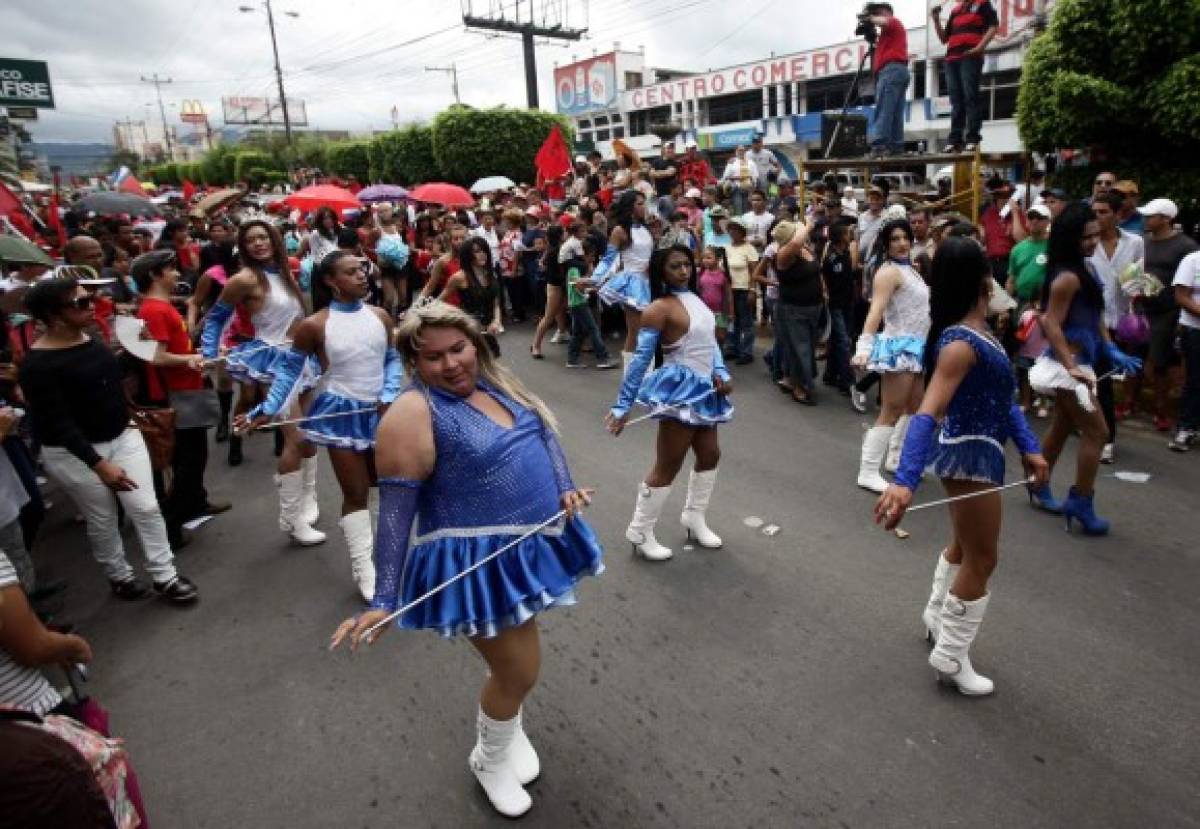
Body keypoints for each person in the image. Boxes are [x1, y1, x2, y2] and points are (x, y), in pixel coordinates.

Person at [330, 301, 603, 818]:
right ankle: (488, 757)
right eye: (433, 357)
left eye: (458, 349)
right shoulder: (412, 413)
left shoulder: (497, 383)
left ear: (475, 343)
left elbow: (543, 434)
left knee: (514, 666)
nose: (451, 364)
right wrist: (385, 596)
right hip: (476, 565)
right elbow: (394, 514)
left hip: (529, 548)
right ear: (414, 362)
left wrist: (565, 488)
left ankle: (508, 731)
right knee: (519, 671)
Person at [875, 236, 1049, 696]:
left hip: (980, 452)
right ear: (982, 280)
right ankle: (951, 656)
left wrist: (1030, 446)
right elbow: (926, 413)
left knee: (963, 545)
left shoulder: (978, 334)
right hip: (968, 455)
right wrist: (905, 480)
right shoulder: (958, 342)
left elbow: (1004, 401)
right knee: (983, 557)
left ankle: (937, 616)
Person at [19, 277, 198, 604]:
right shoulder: (36, 365)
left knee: (145, 506)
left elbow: (127, 370)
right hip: (73, 453)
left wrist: (138, 335)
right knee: (103, 518)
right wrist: (99, 464)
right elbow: (58, 423)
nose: (92, 304)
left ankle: (165, 575)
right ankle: (119, 576)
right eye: (81, 303)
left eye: (90, 297)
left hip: (122, 435)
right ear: (54, 316)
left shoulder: (94, 335)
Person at [241, 250, 402, 602]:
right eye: (351, 272)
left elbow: (392, 360)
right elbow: (288, 372)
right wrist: (266, 408)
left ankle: (392, 557)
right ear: (330, 281)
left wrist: (389, 393)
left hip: (383, 415)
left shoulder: (380, 316)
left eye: (362, 270)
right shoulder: (314, 325)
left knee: (391, 489)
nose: (362, 276)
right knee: (355, 492)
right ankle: (366, 569)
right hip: (341, 417)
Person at [200, 220, 325, 546]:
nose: (258, 243)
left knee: (309, 434)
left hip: (301, 359)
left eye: (263, 237)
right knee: (293, 439)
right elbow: (214, 318)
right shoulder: (244, 279)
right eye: (250, 239)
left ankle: (309, 500)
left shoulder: (285, 272)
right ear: (242, 246)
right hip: (272, 363)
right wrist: (210, 356)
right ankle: (291, 519)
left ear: (274, 240)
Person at [606, 245, 733, 561]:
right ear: (660, 271)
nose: (683, 271)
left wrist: (720, 370)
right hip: (680, 393)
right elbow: (640, 361)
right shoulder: (658, 309)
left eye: (686, 265)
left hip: (705, 392)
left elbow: (709, 343)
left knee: (710, 454)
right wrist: (623, 406)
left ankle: (694, 517)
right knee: (668, 464)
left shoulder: (697, 300)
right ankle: (640, 529)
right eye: (675, 266)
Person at [1028, 202, 1142, 534]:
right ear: (1069, 238)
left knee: (1064, 425)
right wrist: (1070, 365)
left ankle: (1037, 481)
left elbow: (1096, 316)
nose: (1092, 242)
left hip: (1082, 365)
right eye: (1086, 237)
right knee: (1098, 431)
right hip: (1068, 372)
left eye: (1095, 235)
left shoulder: (1085, 269)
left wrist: (1110, 347)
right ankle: (1081, 500)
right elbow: (1049, 322)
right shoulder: (1066, 277)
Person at [132, 251, 231, 548]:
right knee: (188, 459)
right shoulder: (154, 310)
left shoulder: (161, 307)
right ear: (154, 275)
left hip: (187, 388)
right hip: (176, 394)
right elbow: (158, 357)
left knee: (195, 455)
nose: (177, 274)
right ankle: (172, 526)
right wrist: (198, 358)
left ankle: (196, 504)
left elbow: (174, 344)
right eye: (171, 269)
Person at [852, 219, 930, 492]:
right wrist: (864, 347)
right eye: (895, 239)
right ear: (885, 244)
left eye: (905, 237)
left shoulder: (910, 269)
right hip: (899, 347)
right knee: (891, 410)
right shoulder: (888, 273)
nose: (901, 243)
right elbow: (876, 312)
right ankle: (868, 470)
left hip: (917, 347)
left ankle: (896, 460)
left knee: (915, 408)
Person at [1089, 191, 1145, 463]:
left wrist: (1142, 290)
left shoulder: (1134, 243)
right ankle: (1102, 435)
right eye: (1095, 211)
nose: (1097, 217)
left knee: (1105, 382)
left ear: (1118, 214)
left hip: (1121, 322)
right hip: (1090, 322)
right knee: (1097, 382)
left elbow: (1137, 282)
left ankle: (1105, 437)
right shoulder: (1087, 242)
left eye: (1103, 212)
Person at [1138, 198, 1199, 432]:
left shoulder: (1186, 246)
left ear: (1166, 219)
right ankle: (1132, 403)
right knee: (1138, 358)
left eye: (1151, 216)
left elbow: (1191, 281)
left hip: (1169, 312)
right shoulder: (1142, 241)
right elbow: (1135, 270)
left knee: (1159, 362)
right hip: (1142, 308)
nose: (1145, 219)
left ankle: (1161, 410)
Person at [930, 1, 998, 152]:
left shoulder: (983, 4)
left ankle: (973, 137)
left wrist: (979, 48)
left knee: (970, 96)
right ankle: (955, 140)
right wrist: (935, 20)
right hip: (951, 59)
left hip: (970, 56)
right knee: (956, 101)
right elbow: (944, 39)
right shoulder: (955, 10)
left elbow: (993, 26)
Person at [599, 191, 656, 370]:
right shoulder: (620, 230)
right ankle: (629, 378)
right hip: (633, 284)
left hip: (650, 281)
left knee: (650, 332)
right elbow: (608, 260)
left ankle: (647, 374)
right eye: (640, 203)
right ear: (630, 207)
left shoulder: (646, 227)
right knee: (635, 332)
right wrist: (593, 280)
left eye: (644, 203)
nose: (644, 207)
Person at [773, 221, 827, 405]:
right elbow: (795, 243)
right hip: (794, 310)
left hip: (814, 307)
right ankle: (801, 387)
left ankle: (790, 378)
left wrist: (824, 291)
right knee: (800, 350)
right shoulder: (783, 255)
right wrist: (809, 224)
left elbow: (816, 272)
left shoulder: (805, 250)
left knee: (805, 348)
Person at [563, 238, 618, 370]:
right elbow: (579, 286)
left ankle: (572, 359)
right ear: (583, 255)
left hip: (577, 303)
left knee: (578, 332)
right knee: (593, 329)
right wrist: (593, 287)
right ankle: (602, 358)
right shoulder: (574, 268)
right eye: (591, 256)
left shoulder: (575, 267)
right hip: (579, 303)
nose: (592, 259)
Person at [866, 3, 911, 157]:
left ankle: (880, 144)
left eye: (878, 13)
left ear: (885, 13)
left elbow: (884, 21)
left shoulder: (893, 22)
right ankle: (895, 146)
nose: (876, 17)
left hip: (891, 70)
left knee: (884, 109)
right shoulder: (889, 34)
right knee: (895, 111)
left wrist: (869, 17)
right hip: (899, 71)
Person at [445, 237, 502, 357]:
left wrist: (496, 321)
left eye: (484, 250)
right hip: (468, 334)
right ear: (468, 255)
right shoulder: (459, 277)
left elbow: (496, 304)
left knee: (490, 368)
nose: (482, 254)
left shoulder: (490, 273)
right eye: (476, 251)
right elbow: (441, 301)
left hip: (488, 333)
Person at [822, 221, 858, 394]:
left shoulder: (846, 254)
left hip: (848, 303)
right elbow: (824, 279)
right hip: (835, 305)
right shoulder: (831, 259)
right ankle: (848, 381)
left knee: (839, 340)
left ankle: (830, 374)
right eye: (847, 232)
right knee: (844, 342)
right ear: (841, 237)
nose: (849, 234)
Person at [1169, 249, 1200, 451]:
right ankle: (1186, 428)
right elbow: (1181, 296)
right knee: (1196, 380)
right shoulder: (1192, 260)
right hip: (1195, 329)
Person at [697, 246, 734, 349]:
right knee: (707, 336)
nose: (705, 260)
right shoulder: (701, 274)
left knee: (720, 337)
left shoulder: (723, 275)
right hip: (704, 311)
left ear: (718, 259)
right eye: (704, 258)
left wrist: (731, 312)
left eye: (709, 257)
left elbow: (729, 295)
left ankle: (718, 357)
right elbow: (698, 291)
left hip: (720, 312)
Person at [720, 146, 759, 216]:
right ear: (736, 152)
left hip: (748, 190)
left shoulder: (751, 163)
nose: (741, 152)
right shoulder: (732, 162)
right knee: (738, 211)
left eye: (743, 150)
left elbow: (755, 177)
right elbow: (725, 177)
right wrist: (736, 178)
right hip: (736, 189)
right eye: (739, 150)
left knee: (747, 212)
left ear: (745, 152)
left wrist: (752, 191)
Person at [648, 142, 679, 219]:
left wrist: (657, 173)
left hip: (668, 195)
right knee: (657, 216)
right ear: (664, 150)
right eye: (668, 148)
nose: (670, 150)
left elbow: (669, 173)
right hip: (657, 195)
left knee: (667, 217)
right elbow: (651, 174)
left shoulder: (675, 163)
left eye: (672, 148)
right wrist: (662, 173)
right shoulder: (656, 161)